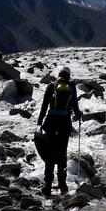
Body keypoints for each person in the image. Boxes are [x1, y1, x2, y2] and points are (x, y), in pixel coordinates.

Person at [36, 66, 82, 195]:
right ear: (68, 75)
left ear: (59, 74)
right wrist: (79, 114)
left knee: (49, 154)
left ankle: (47, 187)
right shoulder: (71, 87)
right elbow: (76, 109)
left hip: (50, 123)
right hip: (64, 124)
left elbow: (44, 106)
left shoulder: (52, 86)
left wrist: (39, 122)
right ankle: (63, 187)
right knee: (62, 154)